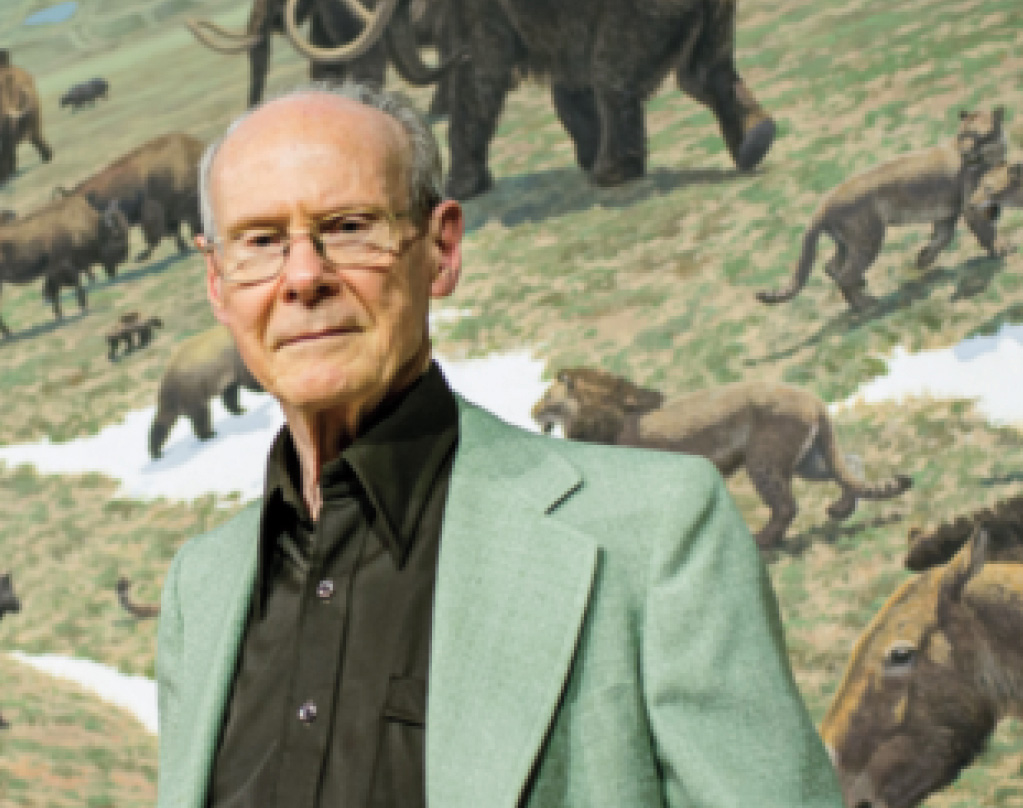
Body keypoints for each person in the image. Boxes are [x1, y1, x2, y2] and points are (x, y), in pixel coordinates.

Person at [156, 81, 844, 808]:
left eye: (350, 226)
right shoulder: (199, 590)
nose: (302, 277)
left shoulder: (654, 534)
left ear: (441, 249)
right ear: (217, 282)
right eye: (260, 241)